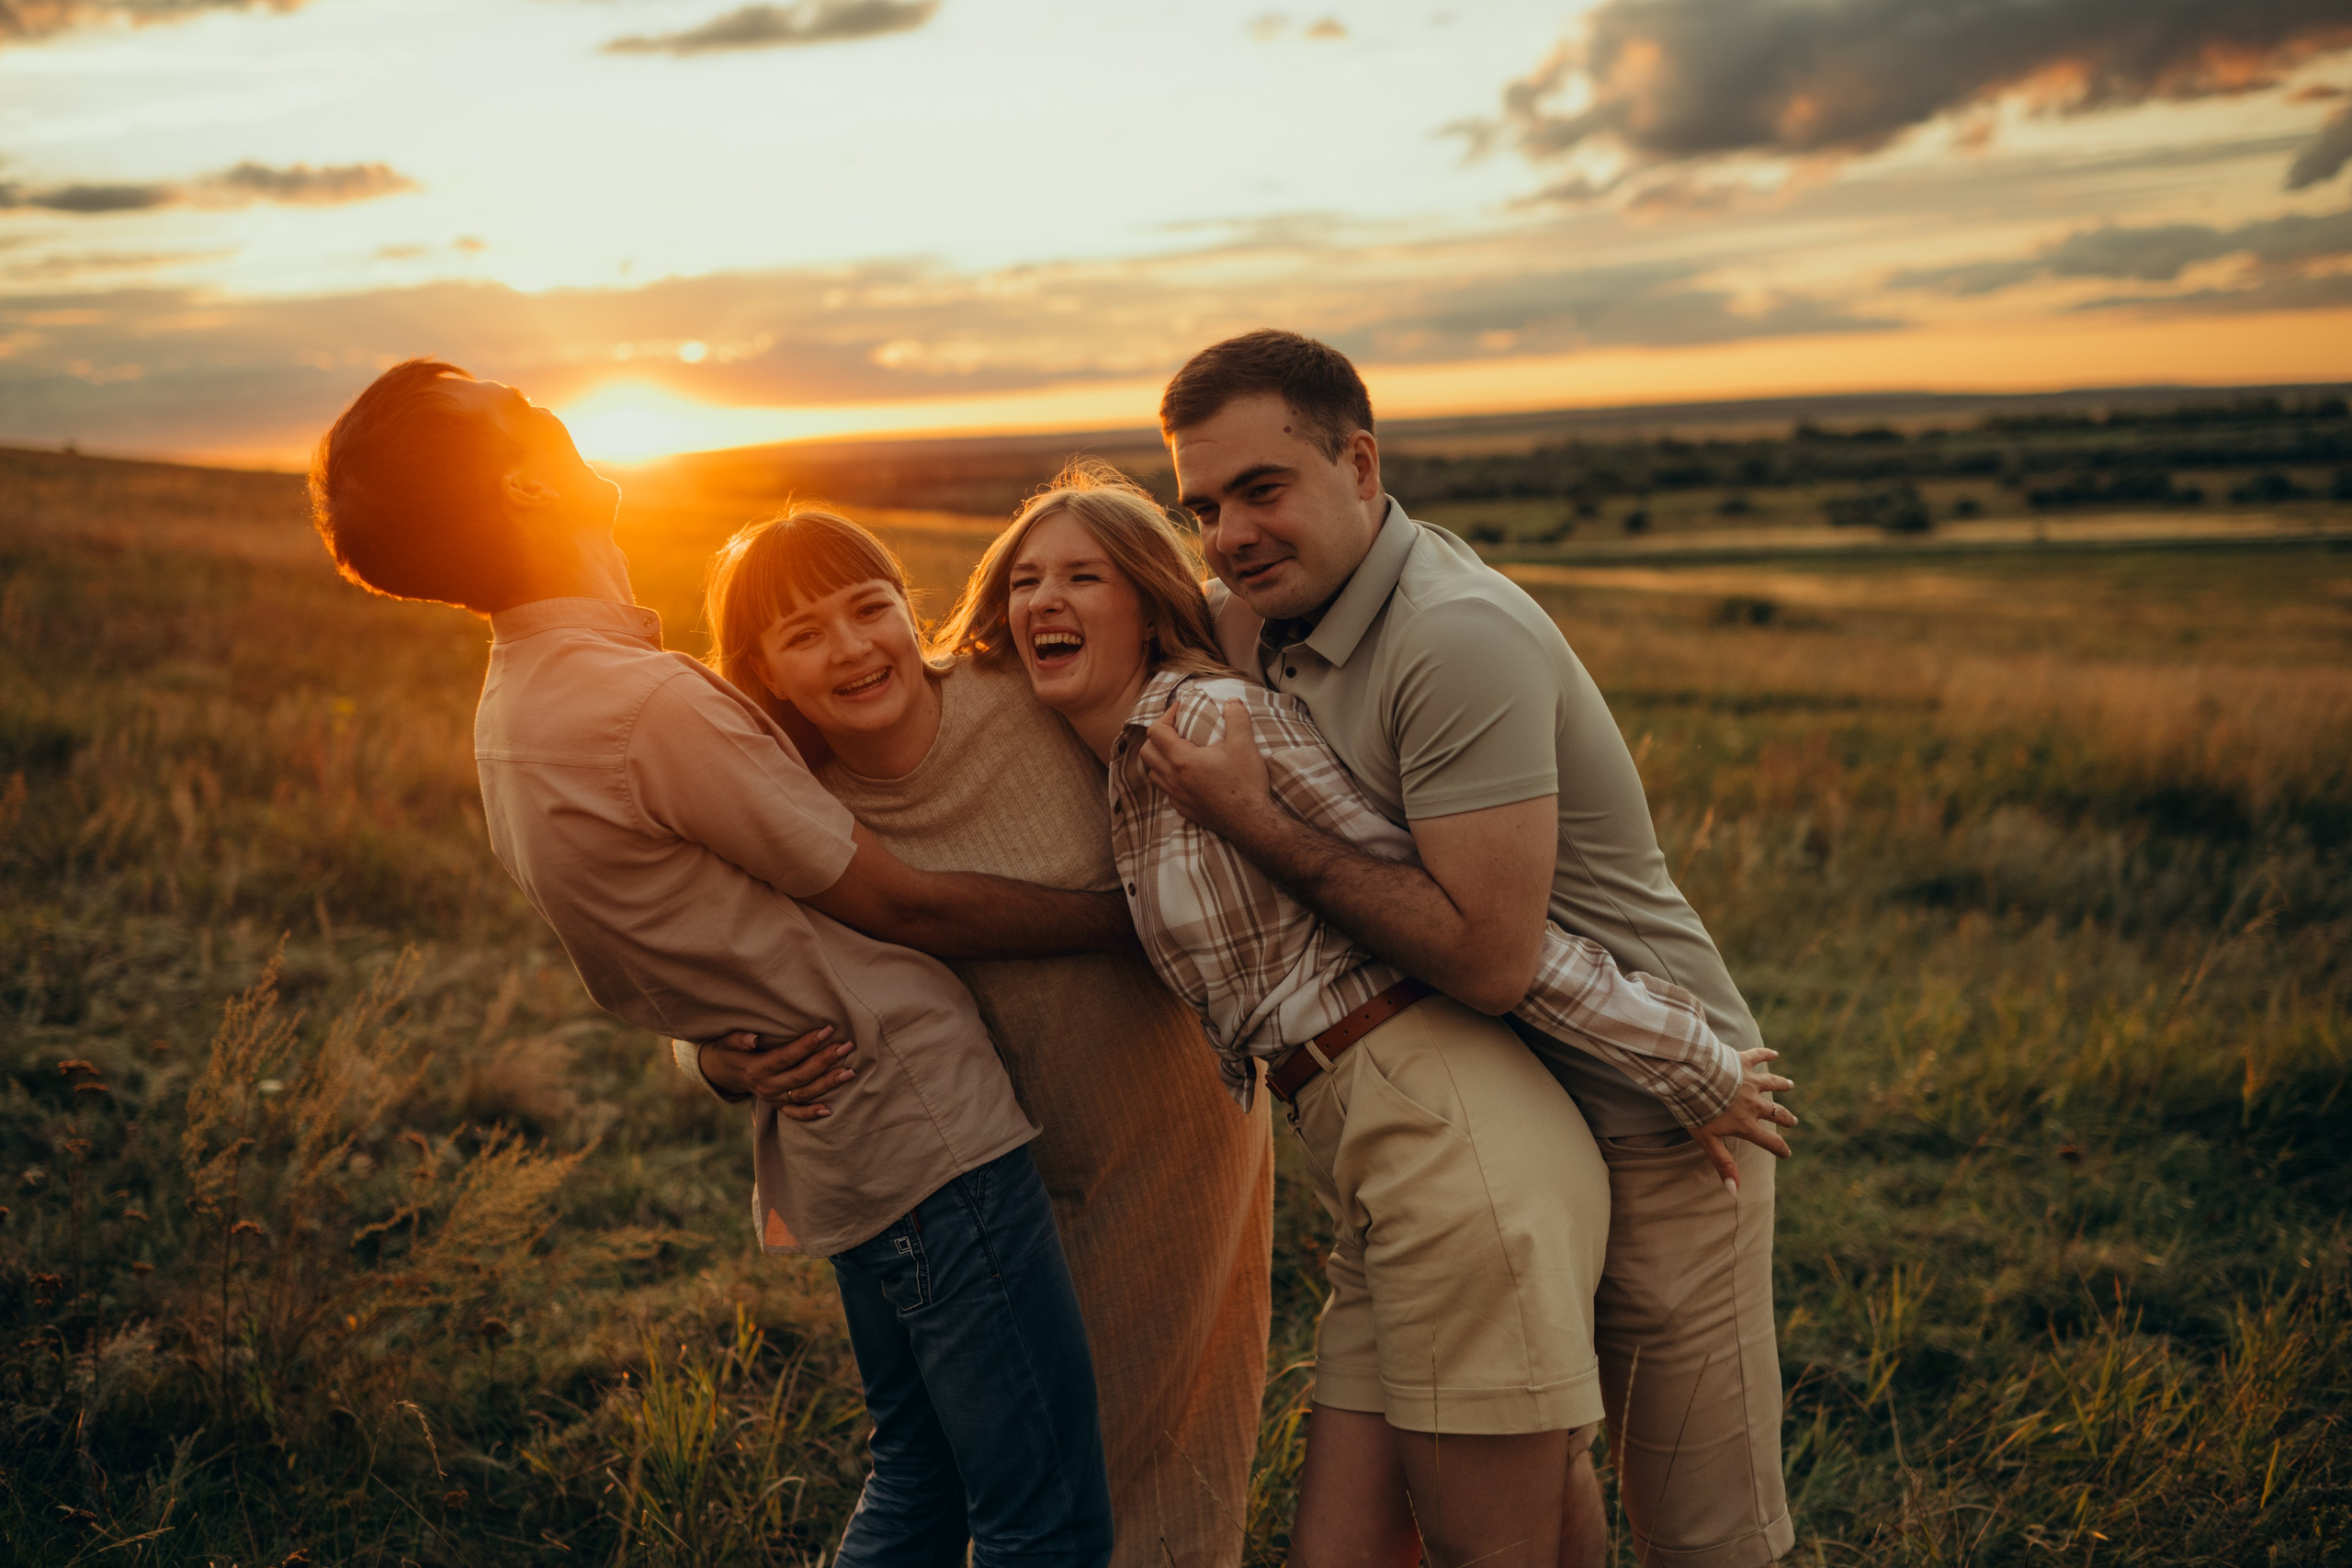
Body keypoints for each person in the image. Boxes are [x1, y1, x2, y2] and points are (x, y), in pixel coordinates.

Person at [307, 359, 1114, 1568]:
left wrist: (714, 1046)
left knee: (921, 1484)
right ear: (528, 482)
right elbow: (894, 899)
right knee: (1043, 1519)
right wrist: (1135, 914)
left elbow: (672, 942)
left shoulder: (516, 716)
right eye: (520, 410)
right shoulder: (641, 706)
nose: (549, 410)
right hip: (923, 1127)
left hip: (845, 1136)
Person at [943, 464, 1787, 1568]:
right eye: (1024, 581)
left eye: (1081, 577)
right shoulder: (1130, 759)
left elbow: (1453, 921)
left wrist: (1690, 1057)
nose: (1042, 601)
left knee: (1488, 1545)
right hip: (1376, 1157)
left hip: (1448, 1145)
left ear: (1150, 604)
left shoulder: (1216, 718)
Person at [1147, 330, 1799, 1568]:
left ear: (1359, 461)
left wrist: (1253, 818)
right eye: (1203, 504)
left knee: (1702, 1521)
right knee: (1537, 1461)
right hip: (1505, 1105)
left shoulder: (1454, 632)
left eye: (1260, 489)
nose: (1228, 532)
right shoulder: (1259, 624)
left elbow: (1489, 954)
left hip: (1658, 1106)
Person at [694, 506, 1273, 1568]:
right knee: (1018, 1482)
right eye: (805, 633)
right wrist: (716, 1059)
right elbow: (711, 975)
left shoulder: (1026, 703)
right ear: (763, 672)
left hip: (1166, 1138)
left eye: (869, 609)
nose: (855, 647)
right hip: (975, 1184)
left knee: (1166, 1449)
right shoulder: (782, 804)